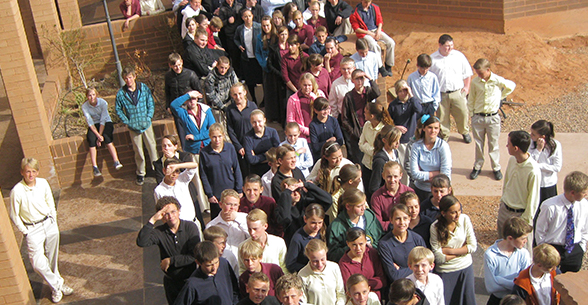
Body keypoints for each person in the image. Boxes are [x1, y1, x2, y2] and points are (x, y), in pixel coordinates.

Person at [9, 158, 74, 303]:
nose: (31, 175)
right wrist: (25, 231)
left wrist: (53, 219)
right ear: (22, 172)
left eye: (33, 171)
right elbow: (14, 214)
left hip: (49, 223)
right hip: (32, 229)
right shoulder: (17, 191)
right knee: (37, 263)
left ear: (37, 172)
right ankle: (58, 284)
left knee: (52, 259)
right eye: (27, 172)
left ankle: (55, 288)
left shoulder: (43, 183)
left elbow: (50, 202)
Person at [137, 196, 201, 304]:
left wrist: (171, 261)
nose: (171, 216)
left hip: (191, 280)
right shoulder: (159, 232)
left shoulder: (190, 227)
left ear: (179, 211)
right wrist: (152, 220)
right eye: (166, 213)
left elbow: (193, 255)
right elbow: (142, 242)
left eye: (173, 211)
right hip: (172, 283)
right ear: (161, 216)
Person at [468, 58, 516, 181]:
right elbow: (471, 98)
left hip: (493, 117)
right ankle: (477, 166)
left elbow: (511, 85)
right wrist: (472, 114)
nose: (479, 75)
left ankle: (496, 167)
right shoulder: (475, 82)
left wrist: (501, 95)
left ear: (488, 70)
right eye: (477, 73)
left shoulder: (497, 80)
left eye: (481, 73)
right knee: (479, 144)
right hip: (478, 117)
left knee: (493, 144)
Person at [535, 171, 588, 273]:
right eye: (584, 192)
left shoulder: (585, 205)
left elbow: (585, 227)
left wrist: (581, 247)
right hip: (553, 248)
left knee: (572, 283)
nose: (586, 194)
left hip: (574, 249)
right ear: (573, 192)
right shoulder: (550, 206)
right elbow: (540, 231)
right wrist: (545, 252)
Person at [498, 131, 540, 253]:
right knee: (503, 247)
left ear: (516, 148)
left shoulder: (533, 170)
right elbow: (507, 183)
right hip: (505, 211)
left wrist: (524, 222)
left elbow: (533, 200)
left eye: (508, 144)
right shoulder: (512, 160)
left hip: (521, 216)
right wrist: (503, 202)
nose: (507, 146)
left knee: (523, 251)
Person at [115, 66, 159, 186]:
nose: (128, 80)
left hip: (146, 123)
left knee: (152, 147)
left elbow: (150, 102)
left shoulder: (143, 88)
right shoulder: (121, 93)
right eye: (126, 78)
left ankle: (157, 170)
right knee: (138, 151)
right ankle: (141, 173)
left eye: (130, 77)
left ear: (134, 77)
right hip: (133, 126)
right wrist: (127, 121)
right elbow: (118, 109)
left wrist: (149, 117)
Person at [430, 195, 477, 305]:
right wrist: (462, 251)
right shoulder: (435, 227)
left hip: (465, 268)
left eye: (459, 210)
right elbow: (439, 257)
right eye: (453, 212)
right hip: (446, 271)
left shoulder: (465, 219)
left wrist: (450, 251)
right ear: (443, 213)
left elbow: (473, 246)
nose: (457, 215)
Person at [153, 135, 206, 228]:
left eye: (169, 145)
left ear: (175, 146)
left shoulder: (184, 158)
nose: (166, 148)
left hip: (189, 201)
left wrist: (176, 165)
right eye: (164, 146)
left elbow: (193, 166)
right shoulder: (159, 188)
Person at [429, 34, 473, 143]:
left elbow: (467, 73)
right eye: (447, 46)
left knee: (462, 113)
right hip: (441, 94)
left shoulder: (459, 56)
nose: (450, 48)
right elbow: (429, 77)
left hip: (457, 92)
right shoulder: (433, 59)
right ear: (440, 45)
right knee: (442, 116)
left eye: (451, 45)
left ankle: (464, 131)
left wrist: (467, 87)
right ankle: (444, 135)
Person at [484, 217, 532, 305]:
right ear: (510, 238)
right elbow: (491, 287)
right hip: (497, 301)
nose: (526, 241)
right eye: (523, 238)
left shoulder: (524, 253)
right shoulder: (491, 254)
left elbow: (524, 283)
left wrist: (499, 280)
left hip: (517, 301)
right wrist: (515, 283)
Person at [174, 241, 239, 305]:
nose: (214, 268)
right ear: (198, 262)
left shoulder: (224, 264)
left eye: (216, 262)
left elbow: (234, 287)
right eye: (209, 265)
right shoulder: (192, 284)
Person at [200, 123, 244, 219]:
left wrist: (239, 189)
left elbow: (237, 168)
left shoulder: (230, 148)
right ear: (210, 137)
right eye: (214, 137)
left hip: (231, 189)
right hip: (216, 193)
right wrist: (209, 194)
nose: (217, 140)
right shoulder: (204, 152)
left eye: (219, 136)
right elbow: (203, 175)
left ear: (223, 135)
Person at [327, 188, 383, 261]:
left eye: (364, 204)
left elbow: (381, 238)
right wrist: (353, 247)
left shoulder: (369, 216)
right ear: (348, 207)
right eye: (359, 206)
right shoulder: (336, 227)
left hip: (373, 260)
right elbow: (332, 255)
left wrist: (372, 246)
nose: (364, 208)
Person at [154, 159, 203, 235]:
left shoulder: (182, 179)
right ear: (164, 171)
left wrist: (177, 166)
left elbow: (194, 165)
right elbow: (161, 212)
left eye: (177, 171)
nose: (174, 174)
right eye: (171, 171)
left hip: (193, 223)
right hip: (178, 229)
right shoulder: (159, 190)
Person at [276, 178, 332, 245]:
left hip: (313, 241)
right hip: (294, 243)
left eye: (298, 190)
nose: (296, 194)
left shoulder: (305, 203)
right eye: (292, 191)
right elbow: (286, 219)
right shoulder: (282, 208)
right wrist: (286, 193)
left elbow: (328, 201)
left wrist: (307, 185)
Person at [206, 189, 251, 274]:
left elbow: (253, 237)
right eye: (229, 204)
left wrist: (237, 220)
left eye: (235, 205)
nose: (232, 208)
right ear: (220, 204)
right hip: (224, 265)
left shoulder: (245, 219)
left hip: (244, 262)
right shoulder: (212, 226)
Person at [341, 69, 380, 164]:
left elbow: (377, 93)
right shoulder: (349, 96)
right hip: (357, 132)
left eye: (361, 78)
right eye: (357, 79)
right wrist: (353, 132)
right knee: (359, 161)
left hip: (370, 129)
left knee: (371, 159)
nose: (360, 81)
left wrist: (370, 79)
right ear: (352, 80)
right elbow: (344, 118)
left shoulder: (368, 92)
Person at [409, 115, 452, 202]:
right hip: (420, 190)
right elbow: (414, 173)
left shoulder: (443, 146)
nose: (433, 131)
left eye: (436, 128)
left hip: (439, 193)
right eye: (430, 127)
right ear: (424, 128)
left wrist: (424, 175)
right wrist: (436, 173)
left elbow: (446, 174)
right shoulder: (416, 146)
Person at [379, 204, 426, 282]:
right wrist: (417, 269)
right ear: (391, 220)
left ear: (409, 219)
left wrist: (401, 270)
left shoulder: (417, 239)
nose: (402, 222)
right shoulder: (384, 244)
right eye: (398, 219)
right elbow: (394, 275)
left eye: (405, 218)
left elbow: (428, 268)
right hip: (400, 287)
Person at [82, 87, 122, 177]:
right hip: (94, 125)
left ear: (96, 95)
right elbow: (90, 122)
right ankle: (95, 167)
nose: (92, 97)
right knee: (91, 139)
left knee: (107, 137)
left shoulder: (103, 103)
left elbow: (103, 120)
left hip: (106, 122)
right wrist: (97, 136)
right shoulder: (84, 107)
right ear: (86, 96)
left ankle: (116, 161)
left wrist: (100, 136)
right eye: (89, 95)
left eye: (93, 95)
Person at [388, 80, 423, 180]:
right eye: (400, 91)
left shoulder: (412, 103)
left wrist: (411, 95)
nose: (403, 93)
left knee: (414, 164)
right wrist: (396, 127)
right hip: (400, 140)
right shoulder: (393, 105)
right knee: (402, 165)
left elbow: (419, 110)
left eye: (405, 90)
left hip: (412, 139)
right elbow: (388, 121)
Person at [165, 53, 202, 149]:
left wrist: (199, 107)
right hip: (177, 108)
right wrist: (168, 105)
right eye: (175, 66)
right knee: (182, 134)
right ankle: (187, 152)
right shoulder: (168, 76)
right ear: (170, 65)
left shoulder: (190, 74)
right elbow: (167, 92)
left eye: (179, 64)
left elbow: (199, 92)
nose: (177, 67)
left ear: (182, 62)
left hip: (190, 107)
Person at [349, 0, 395, 76]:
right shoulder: (355, 12)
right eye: (365, 2)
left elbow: (380, 20)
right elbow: (356, 28)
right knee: (373, 45)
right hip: (365, 33)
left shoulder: (375, 7)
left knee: (391, 42)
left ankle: (389, 65)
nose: (367, 4)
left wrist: (379, 30)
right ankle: (380, 67)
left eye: (368, 2)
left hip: (375, 30)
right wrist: (369, 33)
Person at [338, 228, 387, 298]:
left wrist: (360, 285)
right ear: (348, 244)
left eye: (361, 244)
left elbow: (382, 281)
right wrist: (371, 283)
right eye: (354, 245)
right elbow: (349, 288)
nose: (358, 248)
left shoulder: (372, 254)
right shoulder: (344, 263)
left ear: (366, 241)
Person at [238, 209, 289, 274]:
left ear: (265, 226)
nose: (252, 233)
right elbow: (242, 270)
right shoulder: (242, 246)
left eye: (255, 229)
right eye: (249, 229)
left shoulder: (278, 243)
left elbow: (284, 267)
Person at [359, 101, 393, 195]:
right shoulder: (366, 125)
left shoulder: (384, 129)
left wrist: (367, 147)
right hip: (366, 165)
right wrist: (372, 150)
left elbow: (380, 151)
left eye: (366, 112)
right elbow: (360, 144)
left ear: (372, 116)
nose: (364, 114)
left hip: (379, 167)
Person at [298, 239, 346, 305]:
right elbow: (303, 301)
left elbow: (341, 293)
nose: (320, 264)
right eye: (315, 261)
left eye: (322, 259)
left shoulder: (334, 267)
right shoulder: (302, 274)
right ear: (308, 257)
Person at [370, 161, 414, 231]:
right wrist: (396, 225)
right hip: (386, 233)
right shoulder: (377, 197)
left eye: (395, 176)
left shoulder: (409, 192)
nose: (392, 180)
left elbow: (413, 216)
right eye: (389, 176)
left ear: (401, 176)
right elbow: (378, 223)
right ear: (383, 176)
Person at [226, 83, 258, 177]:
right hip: (239, 147)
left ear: (245, 92)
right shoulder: (230, 109)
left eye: (240, 93)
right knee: (243, 173)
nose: (238, 97)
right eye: (235, 94)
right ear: (231, 95)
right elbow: (230, 130)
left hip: (252, 145)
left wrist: (254, 146)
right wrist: (239, 147)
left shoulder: (252, 106)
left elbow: (257, 127)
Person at [170, 90, 216, 155]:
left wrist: (195, 137)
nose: (192, 101)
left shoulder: (206, 110)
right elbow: (173, 105)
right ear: (185, 101)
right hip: (192, 149)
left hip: (209, 146)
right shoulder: (184, 113)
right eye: (189, 99)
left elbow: (213, 130)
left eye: (194, 98)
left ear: (197, 99)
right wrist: (188, 95)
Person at [529, 120, 563, 205]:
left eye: (533, 134)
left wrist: (539, 166)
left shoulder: (556, 145)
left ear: (542, 137)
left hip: (549, 185)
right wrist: (538, 150)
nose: (530, 135)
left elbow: (557, 167)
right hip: (535, 183)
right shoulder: (530, 143)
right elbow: (529, 162)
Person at [285, 204, 326, 273]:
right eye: (313, 223)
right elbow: (290, 264)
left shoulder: (322, 233)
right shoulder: (298, 239)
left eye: (320, 223)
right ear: (305, 219)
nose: (317, 226)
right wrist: (309, 268)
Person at [235, 9, 263, 104]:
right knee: (250, 81)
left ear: (252, 16)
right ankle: (254, 99)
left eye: (249, 16)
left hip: (257, 58)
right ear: (242, 18)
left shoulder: (258, 27)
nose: (248, 18)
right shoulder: (240, 29)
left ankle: (264, 99)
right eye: (245, 16)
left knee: (261, 80)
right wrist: (239, 46)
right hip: (246, 58)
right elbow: (236, 39)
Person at [286, 73, 327, 139]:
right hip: (303, 136)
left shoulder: (320, 94)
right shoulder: (293, 99)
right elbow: (290, 121)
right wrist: (306, 131)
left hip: (319, 132)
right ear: (300, 85)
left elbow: (326, 111)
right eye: (304, 85)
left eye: (309, 85)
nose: (307, 88)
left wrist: (315, 99)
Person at [244, 110, 281, 177]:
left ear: (264, 120)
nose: (257, 125)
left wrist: (257, 157)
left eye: (259, 121)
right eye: (254, 122)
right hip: (257, 172)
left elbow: (277, 152)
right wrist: (269, 156)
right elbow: (251, 159)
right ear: (250, 122)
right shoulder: (247, 137)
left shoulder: (272, 132)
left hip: (273, 170)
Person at [257, 16, 280, 121]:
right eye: (264, 26)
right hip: (266, 69)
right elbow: (257, 52)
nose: (266, 28)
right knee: (268, 92)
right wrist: (263, 64)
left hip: (276, 68)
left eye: (268, 25)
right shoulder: (259, 37)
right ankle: (270, 116)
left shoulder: (276, 37)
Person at [368, 125, 401, 195]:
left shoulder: (395, 152)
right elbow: (374, 186)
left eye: (398, 139)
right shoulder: (380, 160)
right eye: (394, 140)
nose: (397, 143)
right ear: (384, 140)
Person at [309, 97, 344, 162]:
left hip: (334, 156)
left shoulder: (333, 121)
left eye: (327, 108)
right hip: (320, 158)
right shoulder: (313, 125)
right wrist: (328, 141)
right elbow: (315, 147)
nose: (326, 111)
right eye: (323, 109)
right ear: (316, 110)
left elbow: (340, 140)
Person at [267, 26, 290, 124]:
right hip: (278, 78)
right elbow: (270, 64)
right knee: (281, 100)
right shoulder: (273, 48)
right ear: (278, 35)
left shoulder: (291, 46)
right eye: (281, 34)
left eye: (285, 34)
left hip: (290, 77)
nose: (284, 36)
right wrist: (279, 73)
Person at [407, 53, 440, 117]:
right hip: (417, 105)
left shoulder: (433, 77)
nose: (424, 70)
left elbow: (436, 92)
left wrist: (434, 107)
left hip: (429, 105)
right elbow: (409, 92)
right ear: (417, 65)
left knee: (428, 125)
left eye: (427, 68)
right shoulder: (411, 77)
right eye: (422, 68)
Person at [218, 0, 244, 76]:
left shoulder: (239, 6)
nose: (230, 1)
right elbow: (220, 23)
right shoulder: (222, 9)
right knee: (233, 55)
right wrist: (227, 21)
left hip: (239, 33)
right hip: (229, 35)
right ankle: (236, 74)